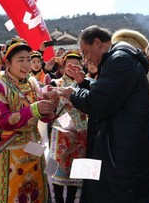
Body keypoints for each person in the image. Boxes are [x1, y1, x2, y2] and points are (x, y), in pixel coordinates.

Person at [56, 25, 149, 202]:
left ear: (97, 43)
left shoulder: (120, 60)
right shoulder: (117, 60)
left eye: (85, 52)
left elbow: (98, 103)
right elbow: (110, 93)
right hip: (117, 145)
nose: (85, 58)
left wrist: (73, 93)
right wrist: (84, 83)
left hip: (121, 151)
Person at [0, 37, 57, 202]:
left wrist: (49, 109)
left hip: (34, 147)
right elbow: (3, 120)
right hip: (10, 151)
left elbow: (42, 118)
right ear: (8, 62)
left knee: (36, 193)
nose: (26, 64)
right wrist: (35, 109)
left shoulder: (33, 82)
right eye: (20, 60)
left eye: (28, 59)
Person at [49, 50, 88, 203]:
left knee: (76, 173)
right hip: (61, 135)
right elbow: (50, 110)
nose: (73, 68)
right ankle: (58, 199)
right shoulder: (55, 84)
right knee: (59, 170)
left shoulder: (86, 84)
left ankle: (71, 200)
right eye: (70, 65)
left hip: (82, 133)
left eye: (77, 65)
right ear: (63, 67)